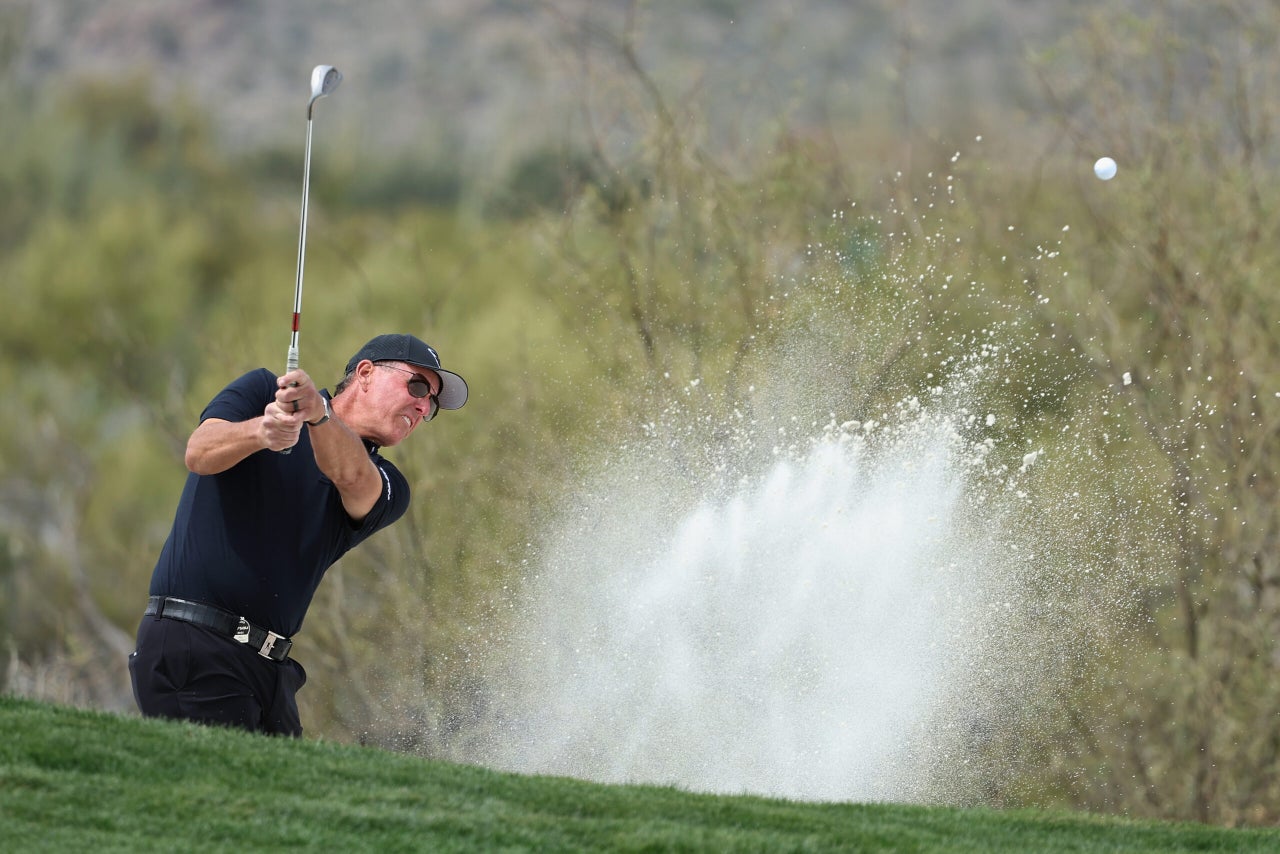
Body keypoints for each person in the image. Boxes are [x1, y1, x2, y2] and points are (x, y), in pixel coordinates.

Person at [129, 333, 468, 736]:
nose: (423, 405)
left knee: (290, 797)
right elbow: (199, 453)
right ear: (364, 373)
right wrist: (261, 432)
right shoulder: (261, 392)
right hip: (194, 645)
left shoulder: (389, 483)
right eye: (417, 386)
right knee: (227, 795)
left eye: (431, 403)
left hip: (270, 672)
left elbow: (352, 476)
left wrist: (319, 414)